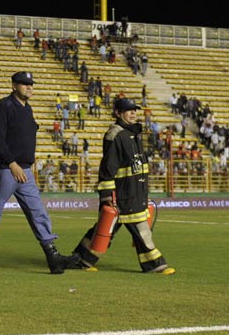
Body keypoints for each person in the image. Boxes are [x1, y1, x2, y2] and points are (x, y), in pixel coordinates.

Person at [0, 71, 76, 274]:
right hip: (6, 170)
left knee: (38, 212)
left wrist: (23, 164)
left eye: (31, 84)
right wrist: (12, 163)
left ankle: (53, 257)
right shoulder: (5, 106)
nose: (29, 87)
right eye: (24, 84)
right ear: (14, 85)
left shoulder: (27, 108)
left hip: (24, 170)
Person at [70, 97, 175, 274]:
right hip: (123, 195)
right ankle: (155, 264)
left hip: (134, 192)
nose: (134, 112)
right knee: (140, 230)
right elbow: (108, 168)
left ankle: (81, 259)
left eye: (135, 109)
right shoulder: (115, 135)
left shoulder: (133, 134)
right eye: (129, 110)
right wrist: (107, 196)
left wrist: (143, 192)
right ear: (118, 113)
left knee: (104, 228)